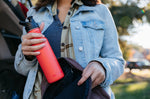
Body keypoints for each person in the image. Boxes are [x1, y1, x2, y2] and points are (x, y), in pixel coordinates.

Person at [14, 0, 125, 98]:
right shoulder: (34, 13)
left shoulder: (100, 11)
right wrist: (28, 56)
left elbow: (117, 61)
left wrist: (103, 67)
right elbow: (21, 69)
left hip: (84, 94)